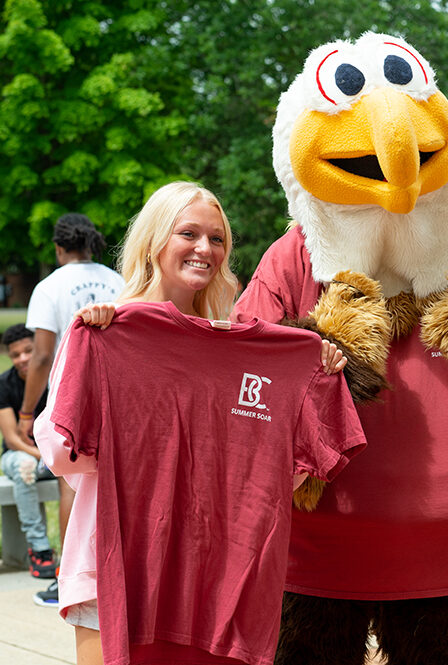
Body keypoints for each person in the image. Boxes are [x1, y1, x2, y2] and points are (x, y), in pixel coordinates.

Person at [34, 181, 358, 665]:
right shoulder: (105, 333)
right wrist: (95, 365)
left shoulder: (253, 354)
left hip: (217, 582)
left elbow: (280, 473)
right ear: (154, 240)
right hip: (118, 567)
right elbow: (60, 453)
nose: (205, 249)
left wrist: (314, 376)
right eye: (189, 233)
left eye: (217, 238)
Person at [16, 213, 125, 607]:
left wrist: (28, 412)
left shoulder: (49, 287)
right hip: (118, 394)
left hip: (72, 395)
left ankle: (67, 576)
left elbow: (42, 355)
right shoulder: (118, 281)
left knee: (70, 483)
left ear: (59, 248)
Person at [0, 324, 56, 583]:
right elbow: (12, 439)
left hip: (56, 456)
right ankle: (39, 548)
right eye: (15, 355)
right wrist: (41, 456)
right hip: (21, 455)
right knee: (23, 466)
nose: (22, 359)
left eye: (28, 351)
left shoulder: (55, 377)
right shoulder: (4, 384)